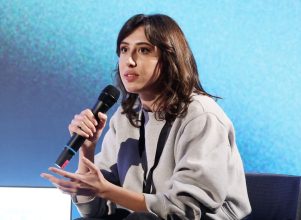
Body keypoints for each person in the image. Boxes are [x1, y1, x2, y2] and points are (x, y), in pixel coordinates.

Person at [41, 14, 251, 220]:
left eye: (143, 50)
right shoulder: (126, 116)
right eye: (124, 50)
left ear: (170, 58)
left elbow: (185, 211)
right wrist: (87, 150)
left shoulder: (201, 116)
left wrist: (106, 190)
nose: (129, 61)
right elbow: (94, 211)